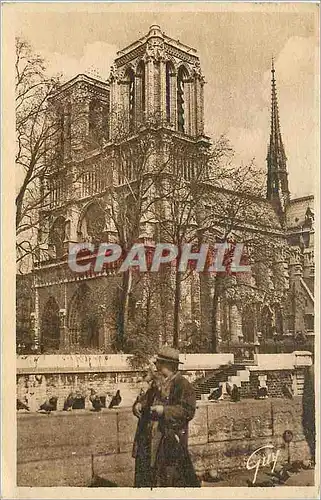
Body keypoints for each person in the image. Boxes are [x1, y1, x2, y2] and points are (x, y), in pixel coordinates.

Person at [132, 346, 200, 488]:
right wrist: (138, 405)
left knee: (169, 478)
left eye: (159, 363)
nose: (156, 366)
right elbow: (144, 401)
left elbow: (187, 410)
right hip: (149, 439)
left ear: (168, 365)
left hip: (169, 439)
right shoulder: (157, 383)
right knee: (147, 476)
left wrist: (164, 410)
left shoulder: (183, 384)